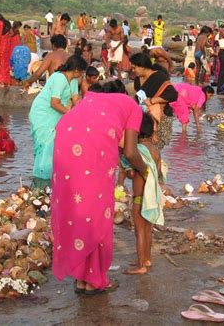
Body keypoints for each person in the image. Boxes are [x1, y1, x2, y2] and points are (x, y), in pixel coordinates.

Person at [51, 79, 147, 294]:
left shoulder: (89, 100)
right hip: (93, 148)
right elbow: (130, 151)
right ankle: (95, 279)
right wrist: (146, 171)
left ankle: (81, 277)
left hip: (64, 141)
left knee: (77, 210)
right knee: (98, 211)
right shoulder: (132, 105)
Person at [29, 55, 87, 188]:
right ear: (76, 69)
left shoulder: (72, 80)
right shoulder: (59, 78)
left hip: (56, 114)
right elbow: (54, 103)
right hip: (43, 114)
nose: (82, 75)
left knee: (55, 145)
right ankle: (40, 182)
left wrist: (84, 111)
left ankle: (52, 179)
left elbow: (75, 98)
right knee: (46, 145)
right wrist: (71, 114)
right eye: (82, 72)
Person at [122, 114, 164, 275]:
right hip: (153, 197)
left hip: (140, 198)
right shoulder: (155, 151)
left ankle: (141, 265)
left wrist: (127, 169)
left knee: (139, 231)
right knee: (147, 230)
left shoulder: (137, 150)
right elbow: (159, 173)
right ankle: (146, 258)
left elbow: (133, 175)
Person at [131, 52, 178, 150]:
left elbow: (173, 94)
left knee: (154, 149)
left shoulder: (159, 77)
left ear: (142, 66)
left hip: (161, 118)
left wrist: (153, 100)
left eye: (135, 67)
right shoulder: (137, 80)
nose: (133, 70)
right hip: (145, 119)